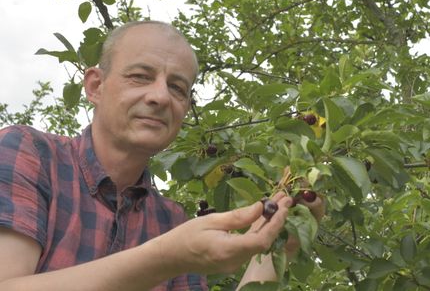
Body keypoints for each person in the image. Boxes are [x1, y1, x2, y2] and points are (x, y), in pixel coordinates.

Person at [0, 21, 324, 290]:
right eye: (140, 76)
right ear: (96, 86)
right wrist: (165, 258)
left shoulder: (171, 222)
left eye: (177, 88)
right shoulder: (29, 152)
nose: (160, 97)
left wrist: (275, 244)